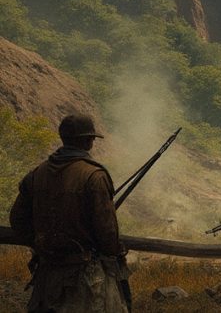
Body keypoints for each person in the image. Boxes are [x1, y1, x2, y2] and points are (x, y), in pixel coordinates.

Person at [9, 114, 130, 312]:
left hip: (47, 274)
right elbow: (107, 234)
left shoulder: (38, 173)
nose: (92, 141)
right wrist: (116, 252)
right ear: (85, 140)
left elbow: (18, 220)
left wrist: (41, 243)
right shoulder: (94, 176)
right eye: (91, 137)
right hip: (85, 278)